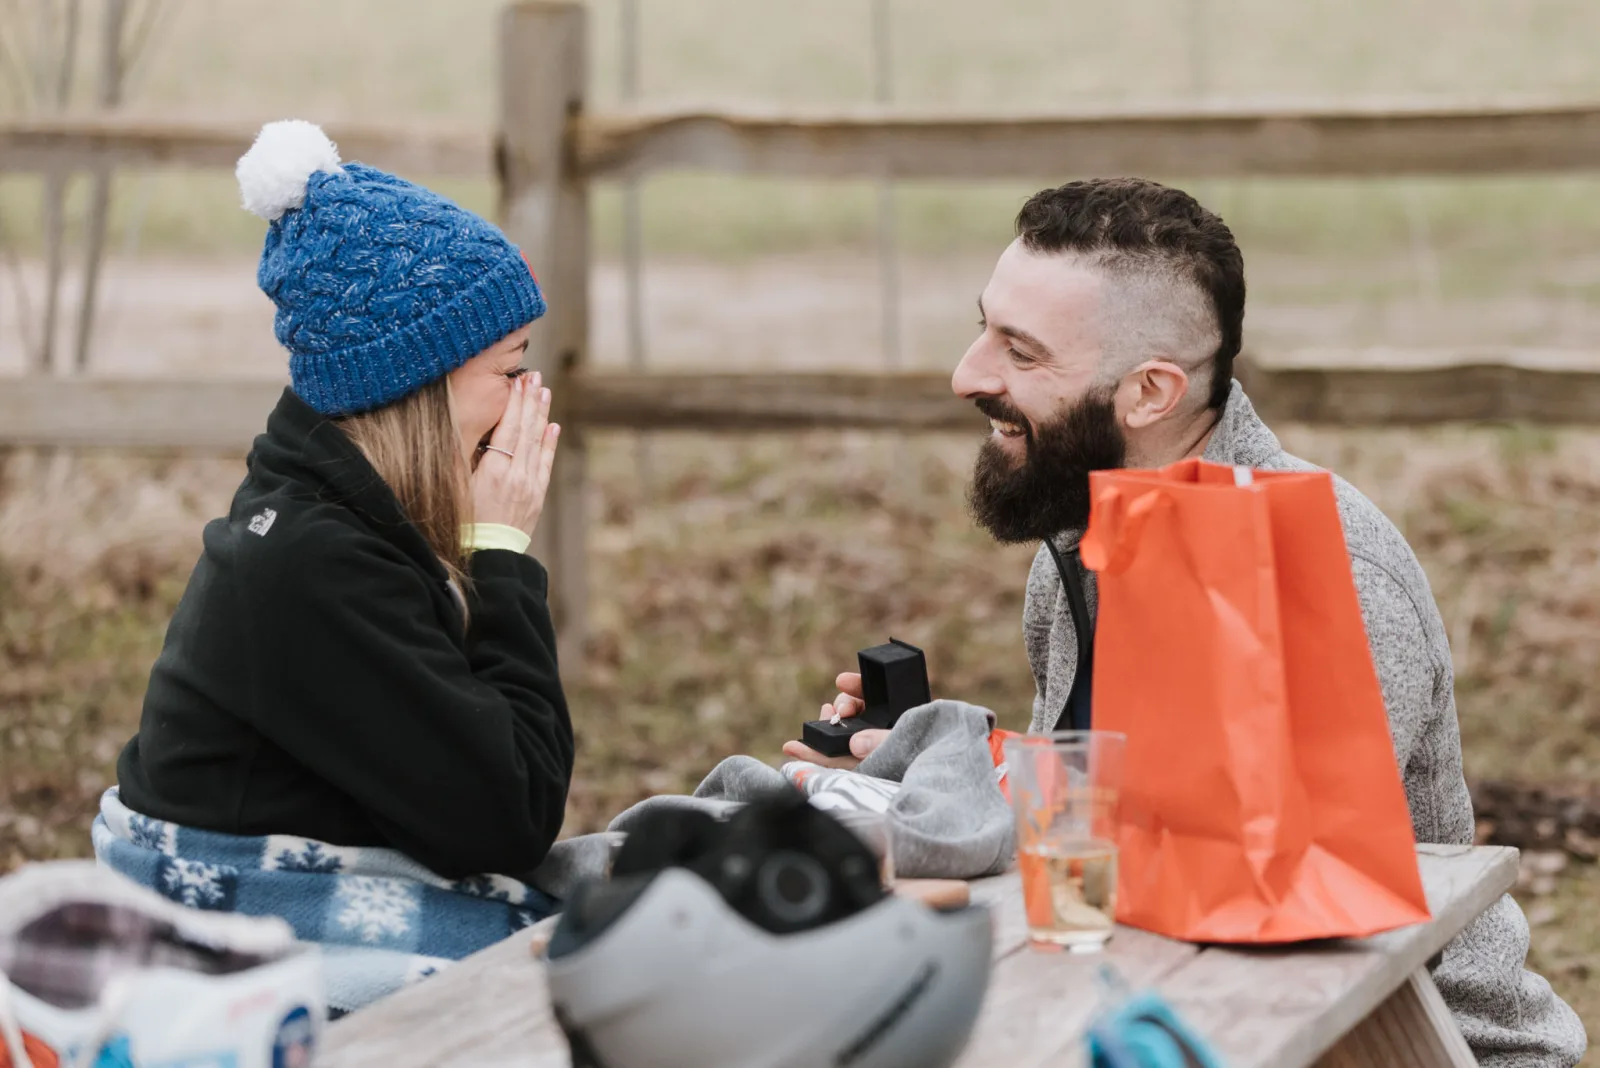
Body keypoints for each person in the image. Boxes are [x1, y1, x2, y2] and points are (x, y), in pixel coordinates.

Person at [784, 178, 1585, 1065]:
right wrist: (927, 773)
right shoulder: (1079, 548)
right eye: (984, 329)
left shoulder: (1329, 573)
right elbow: (1124, 829)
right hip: (1166, 1007)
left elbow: (1256, 894)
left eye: (1021, 351)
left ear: (1150, 393)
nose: (967, 375)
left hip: (1404, 1039)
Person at [104, 120, 571, 945]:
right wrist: (500, 555)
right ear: (415, 387)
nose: (531, 396)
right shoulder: (311, 564)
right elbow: (512, 815)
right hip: (225, 924)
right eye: (508, 369)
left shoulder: (342, 515)